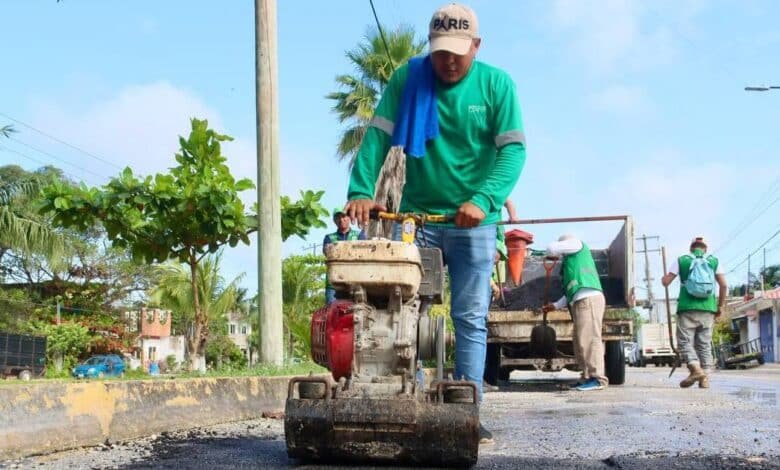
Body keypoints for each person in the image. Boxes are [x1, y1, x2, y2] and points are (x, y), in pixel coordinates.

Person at [344, 3, 526, 445]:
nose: (447, 61)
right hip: (417, 217)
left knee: (469, 317)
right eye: (440, 52)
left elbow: (514, 152)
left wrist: (483, 200)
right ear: (431, 46)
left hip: (473, 221)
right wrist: (360, 192)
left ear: (476, 47)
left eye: (458, 53)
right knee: (402, 310)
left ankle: (466, 412)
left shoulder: (497, 85)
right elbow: (379, 135)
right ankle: (403, 400)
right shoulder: (409, 77)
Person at [543, 234, 607, 391]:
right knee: (580, 342)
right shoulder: (570, 264)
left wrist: (552, 253)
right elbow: (571, 291)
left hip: (589, 300)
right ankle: (587, 377)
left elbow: (551, 248)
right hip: (580, 301)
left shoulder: (578, 244)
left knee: (591, 339)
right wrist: (555, 306)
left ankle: (598, 378)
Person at [661, 236, 727, 389]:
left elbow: (666, 282)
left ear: (691, 248)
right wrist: (720, 307)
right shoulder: (713, 261)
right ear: (705, 248)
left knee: (684, 342)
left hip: (687, 307)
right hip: (708, 308)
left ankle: (696, 370)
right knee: (704, 344)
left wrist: (663, 278)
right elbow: (724, 285)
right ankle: (705, 379)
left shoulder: (682, 260)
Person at [322, 208, 366, 304]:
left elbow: (363, 254)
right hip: (333, 284)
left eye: (344, 216)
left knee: (357, 311)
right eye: (338, 218)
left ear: (349, 218)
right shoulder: (329, 238)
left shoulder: (359, 235)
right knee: (332, 312)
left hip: (355, 282)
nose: (341, 220)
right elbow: (329, 254)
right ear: (334, 221)